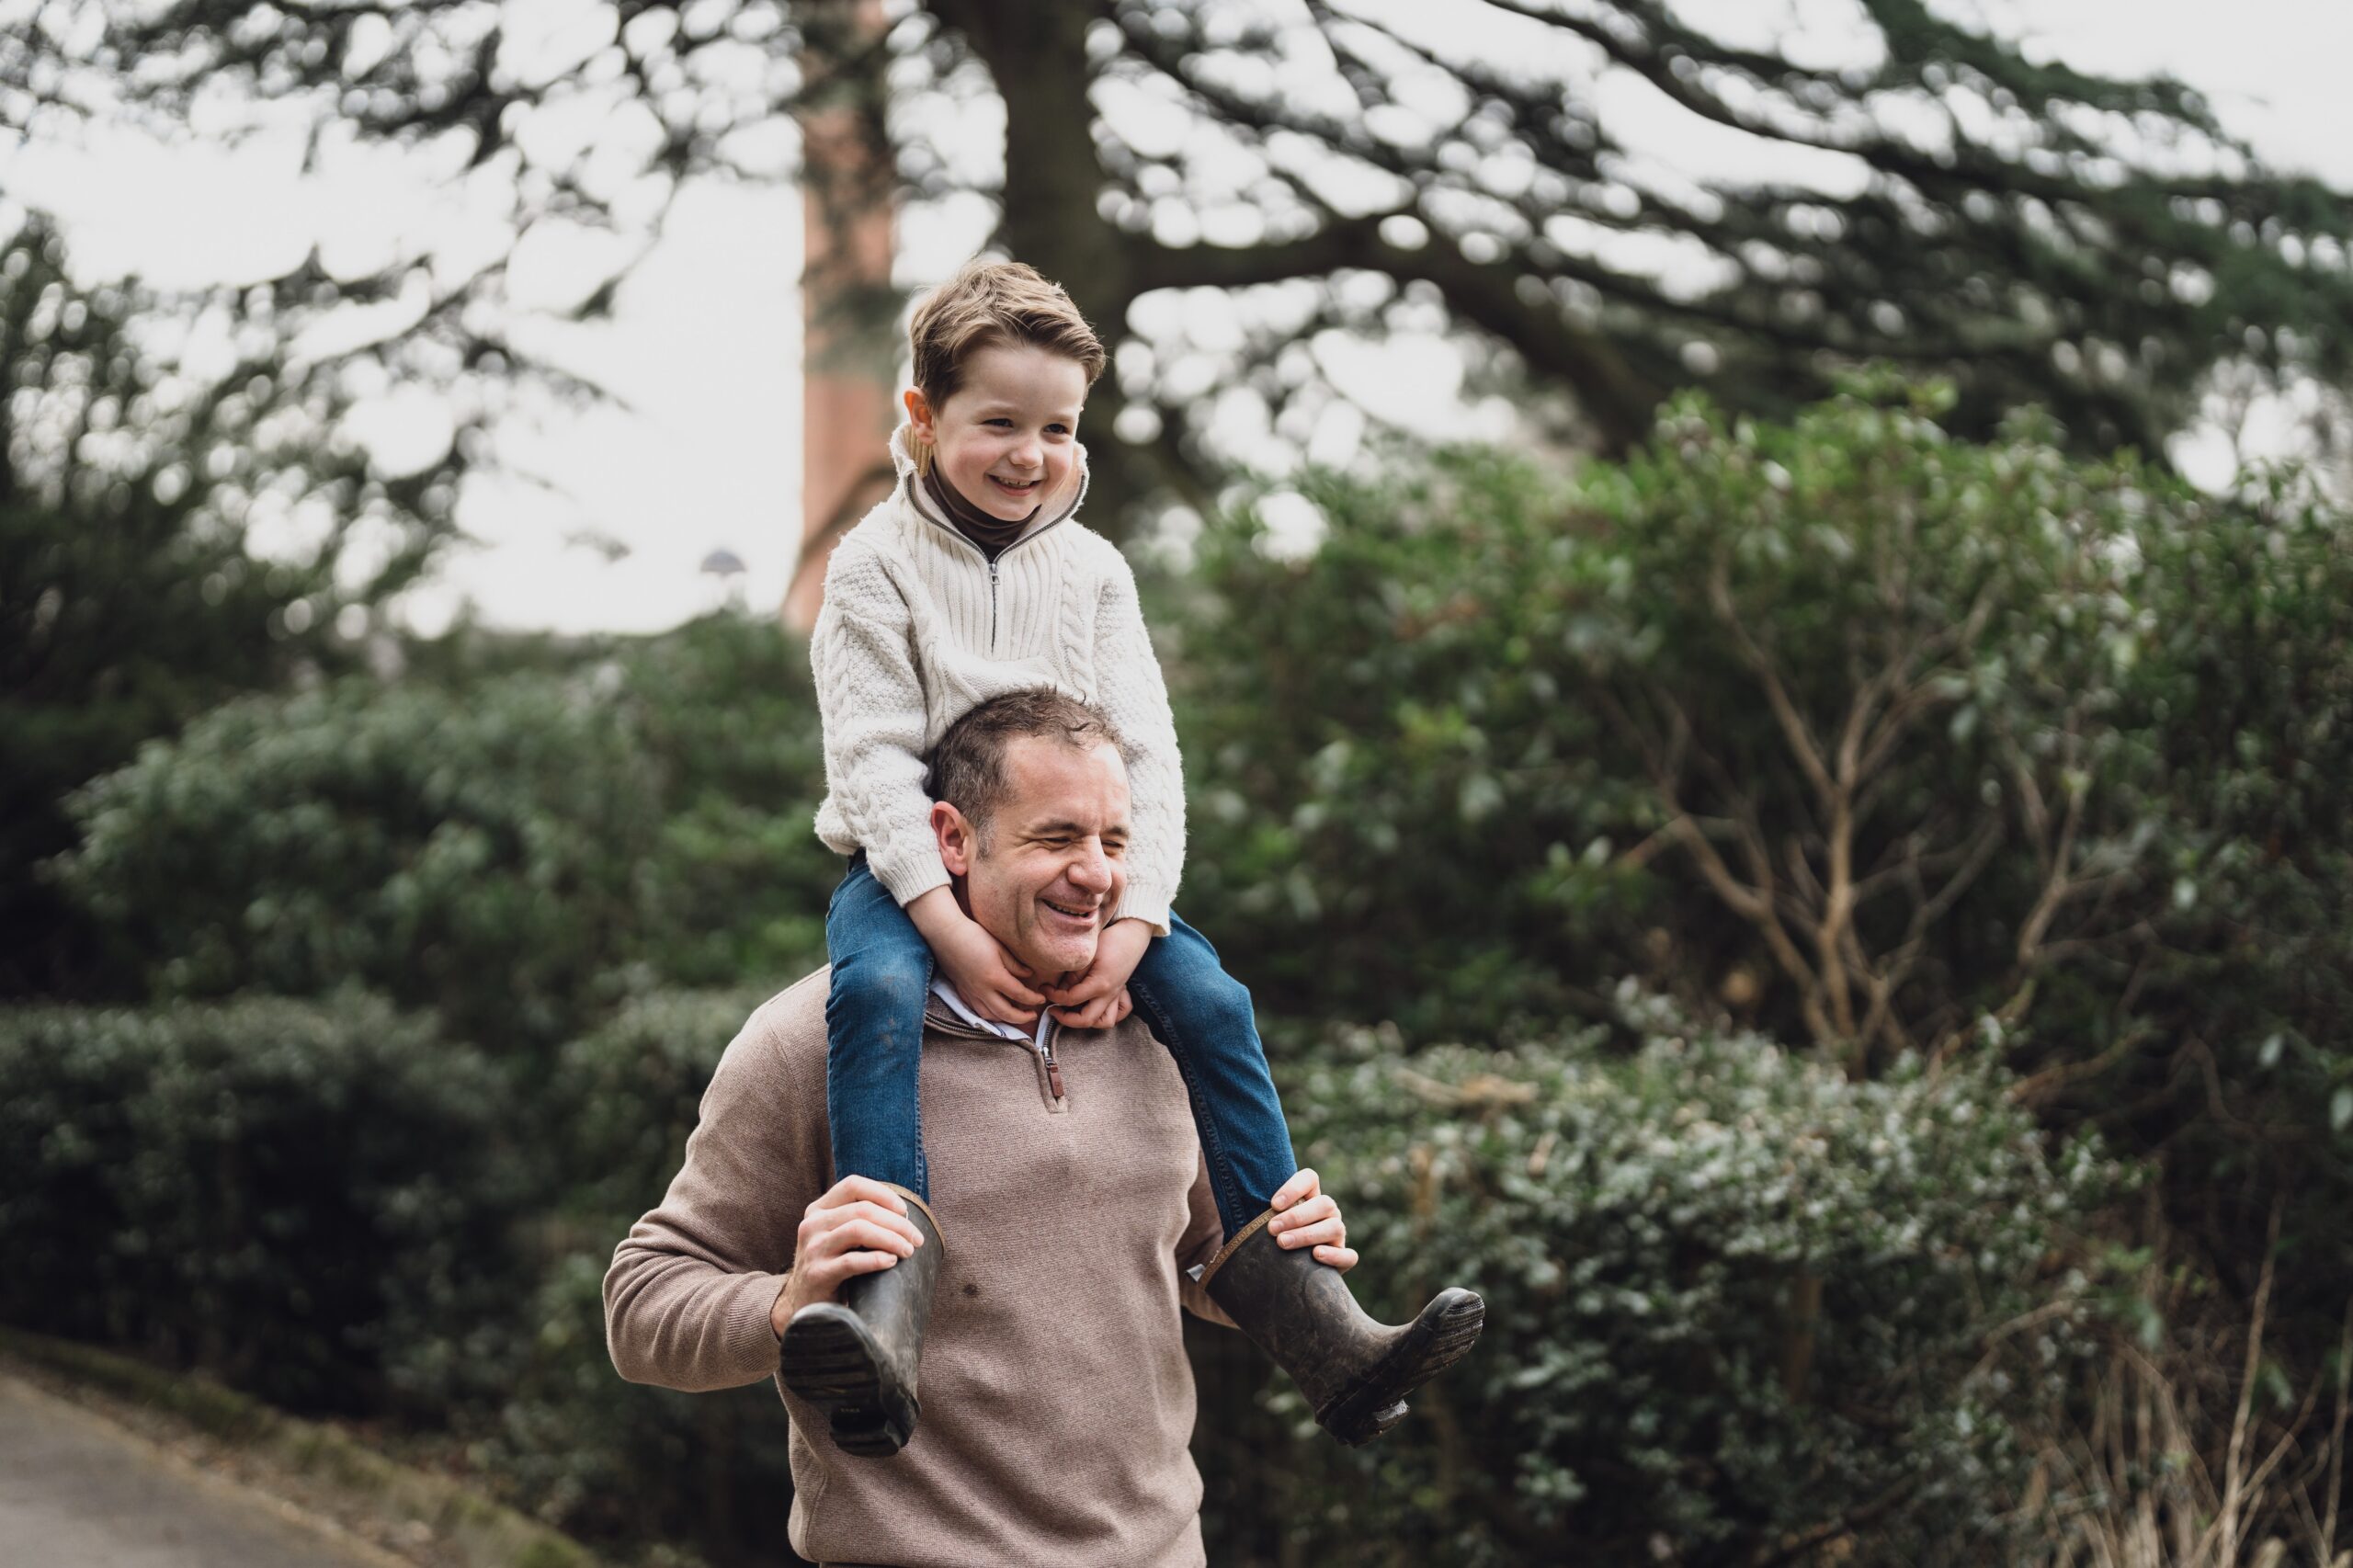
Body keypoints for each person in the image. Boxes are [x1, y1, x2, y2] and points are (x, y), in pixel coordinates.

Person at [803, 260, 1483, 1457]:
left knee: (1213, 1002)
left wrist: (1134, 922)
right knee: (877, 995)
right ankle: (881, 1309)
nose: (1030, 454)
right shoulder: (872, 566)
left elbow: (1149, 762)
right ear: (924, 415)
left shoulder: (1094, 573)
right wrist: (947, 923)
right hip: (911, 871)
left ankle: (1315, 1318)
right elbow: (871, 762)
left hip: (1082, 880)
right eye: (999, 422)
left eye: (1057, 429)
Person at [606, 692, 1482, 1568]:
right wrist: (788, 1304)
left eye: (1114, 842)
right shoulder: (809, 1042)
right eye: (1057, 838)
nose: (1096, 875)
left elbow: (1193, 1261)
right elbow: (642, 1304)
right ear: (952, 840)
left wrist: (1282, 1246)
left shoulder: (1163, 1031)